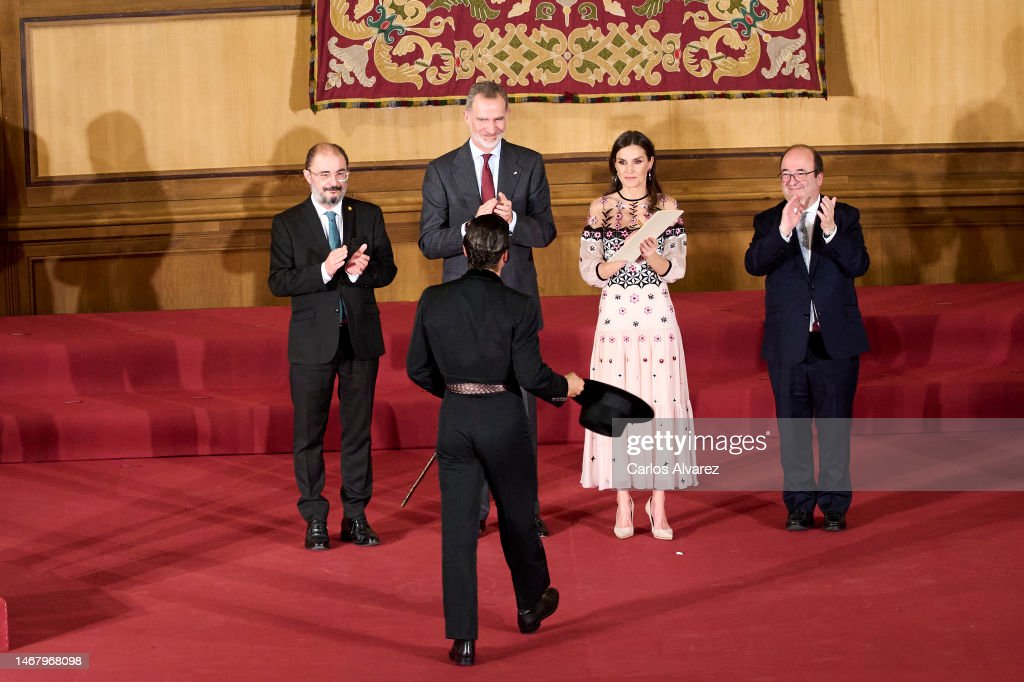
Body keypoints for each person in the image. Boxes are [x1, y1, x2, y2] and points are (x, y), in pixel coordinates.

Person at [407, 214, 584, 666]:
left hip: (456, 419)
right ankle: (529, 606)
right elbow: (530, 376)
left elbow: (417, 369)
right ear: (505, 257)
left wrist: (454, 393)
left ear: (465, 252)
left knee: (459, 531)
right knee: (518, 518)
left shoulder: (433, 299)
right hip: (504, 420)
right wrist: (567, 386)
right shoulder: (519, 305)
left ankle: (463, 640)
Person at [419, 80, 557, 537]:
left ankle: (524, 510)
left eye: (499, 118)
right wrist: (472, 223)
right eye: (483, 119)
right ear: (466, 117)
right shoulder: (442, 170)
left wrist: (513, 220)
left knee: (520, 410)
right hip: (463, 308)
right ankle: (473, 513)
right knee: (470, 412)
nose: (491, 127)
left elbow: (545, 233)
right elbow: (429, 242)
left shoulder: (528, 163)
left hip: (514, 304)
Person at [269, 142, 398, 550]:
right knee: (309, 433)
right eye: (325, 174)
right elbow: (278, 282)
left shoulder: (368, 214)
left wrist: (364, 272)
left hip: (359, 338)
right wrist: (323, 271)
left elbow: (388, 270)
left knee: (357, 433)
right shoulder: (287, 223)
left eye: (340, 173)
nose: (334, 183)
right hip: (311, 344)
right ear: (307, 176)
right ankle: (315, 517)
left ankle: (356, 516)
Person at [743, 144, 870, 532]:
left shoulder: (844, 216)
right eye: (785, 174)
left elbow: (858, 264)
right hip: (788, 342)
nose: (792, 181)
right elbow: (754, 264)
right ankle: (798, 505)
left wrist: (831, 233)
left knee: (834, 428)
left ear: (819, 177)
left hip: (835, 341)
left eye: (800, 173)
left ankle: (834, 506)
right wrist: (782, 230)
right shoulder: (768, 221)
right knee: (793, 429)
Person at [578, 131, 697, 541]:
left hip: (655, 314)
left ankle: (659, 504)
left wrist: (652, 255)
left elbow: (676, 267)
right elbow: (589, 270)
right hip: (615, 317)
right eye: (622, 162)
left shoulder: (667, 208)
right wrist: (616, 260)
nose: (629, 170)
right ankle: (623, 498)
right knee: (618, 404)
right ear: (615, 166)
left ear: (651, 163)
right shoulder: (601, 208)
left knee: (661, 403)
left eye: (637, 161)